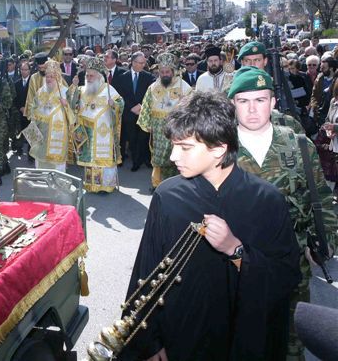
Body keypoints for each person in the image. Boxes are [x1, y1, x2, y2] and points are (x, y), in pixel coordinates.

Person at [122, 91, 300, 361]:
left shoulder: (267, 200)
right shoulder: (168, 196)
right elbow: (147, 271)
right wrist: (149, 342)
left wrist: (236, 250)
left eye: (184, 147)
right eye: (173, 146)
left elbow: (286, 277)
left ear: (218, 149)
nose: (173, 156)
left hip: (242, 342)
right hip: (180, 339)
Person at [228, 67, 338, 360]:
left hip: (291, 263)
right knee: (239, 339)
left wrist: (325, 244)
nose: (253, 109)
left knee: (290, 343)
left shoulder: (298, 145)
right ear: (232, 105)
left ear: (273, 102)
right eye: (243, 101)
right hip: (235, 263)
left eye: (261, 100)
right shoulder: (219, 149)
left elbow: (322, 200)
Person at [137, 53, 192, 189]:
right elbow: (146, 105)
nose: (164, 74)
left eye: (167, 71)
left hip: (176, 128)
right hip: (158, 130)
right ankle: (157, 184)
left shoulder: (184, 87)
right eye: (162, 72)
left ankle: (176, 185)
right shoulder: (153, 87)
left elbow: (191, 109)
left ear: (173, 72)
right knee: (158, 157)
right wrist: (147, 123)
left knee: (175, 157)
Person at [69, 57, 124, 193]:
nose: (88, 78)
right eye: (87, 75)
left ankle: (106, 185)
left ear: (99, 76)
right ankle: (91, 185)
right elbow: (72, 105)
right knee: (90, 160)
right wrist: (74, 87)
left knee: (103, 158)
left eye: (91, 75)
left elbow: (121, 104)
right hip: (86, 131)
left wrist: (115, 105)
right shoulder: (81, 90)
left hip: (103, 131)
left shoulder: (108, 89)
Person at [27, 61, 74, 172]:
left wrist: (66, 105)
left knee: (56, 164)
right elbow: (33, 106)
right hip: (41, 131)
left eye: (52, 77)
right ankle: (43, 182)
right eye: (47, 76)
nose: (49, 79)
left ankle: (58, 184)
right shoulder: (40, 91)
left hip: (57, 132)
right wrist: (34, 117)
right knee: (40, 159)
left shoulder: (65, 91)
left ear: (57, 78)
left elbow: (74, 114)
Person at [118, 51, 154, 171]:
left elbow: (151, 94)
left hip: (143, 113)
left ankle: (146, 159)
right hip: (129, 113)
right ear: (133, 62)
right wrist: (131, 106)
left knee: (143, 138)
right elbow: (121, 95)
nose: (143, 65)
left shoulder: (149, 77)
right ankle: (135, 162)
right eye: (140, 63)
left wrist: (141, 106)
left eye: (144, 63)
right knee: (132, 139)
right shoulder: (123, 77)